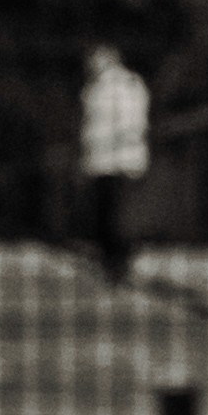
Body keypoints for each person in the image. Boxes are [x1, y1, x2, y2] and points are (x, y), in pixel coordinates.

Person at [74, 44, 153, 275]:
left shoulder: (121, 85)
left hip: (115, 161)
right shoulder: (100, 86)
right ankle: (111, 259)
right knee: (108, 215)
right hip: (107, 160)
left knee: (114, 216)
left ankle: (117, 260)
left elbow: (129, 124)